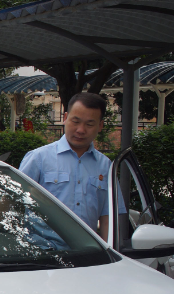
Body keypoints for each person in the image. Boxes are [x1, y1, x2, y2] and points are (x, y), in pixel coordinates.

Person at [17, 92, 114, 238]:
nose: (81, 130)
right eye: (75, 121)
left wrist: (110, 255)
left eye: (89, 124)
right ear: (65, 118)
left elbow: (108, 217)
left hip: (88, 253)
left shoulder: (105, 166)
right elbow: (11, 201)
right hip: (42, 253)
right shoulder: (38, 158)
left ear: (100, 126)